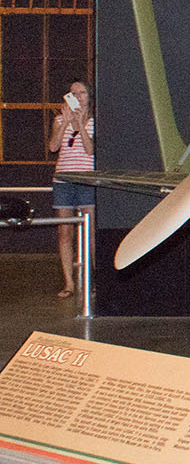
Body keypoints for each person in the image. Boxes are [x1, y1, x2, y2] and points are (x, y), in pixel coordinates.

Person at [47, 80, 94, 299]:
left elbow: (90, 150)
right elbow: (53, 147)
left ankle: (94, 281)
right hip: (63, 181)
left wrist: (79, 124)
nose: (77, 96)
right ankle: (69, 283)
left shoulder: (95, 121)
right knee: (65, 233)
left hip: (86, 180)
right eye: (73, 93)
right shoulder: (58, 120)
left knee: (90, 234)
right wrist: (65, 123)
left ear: (88, 96)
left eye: (81, 92)